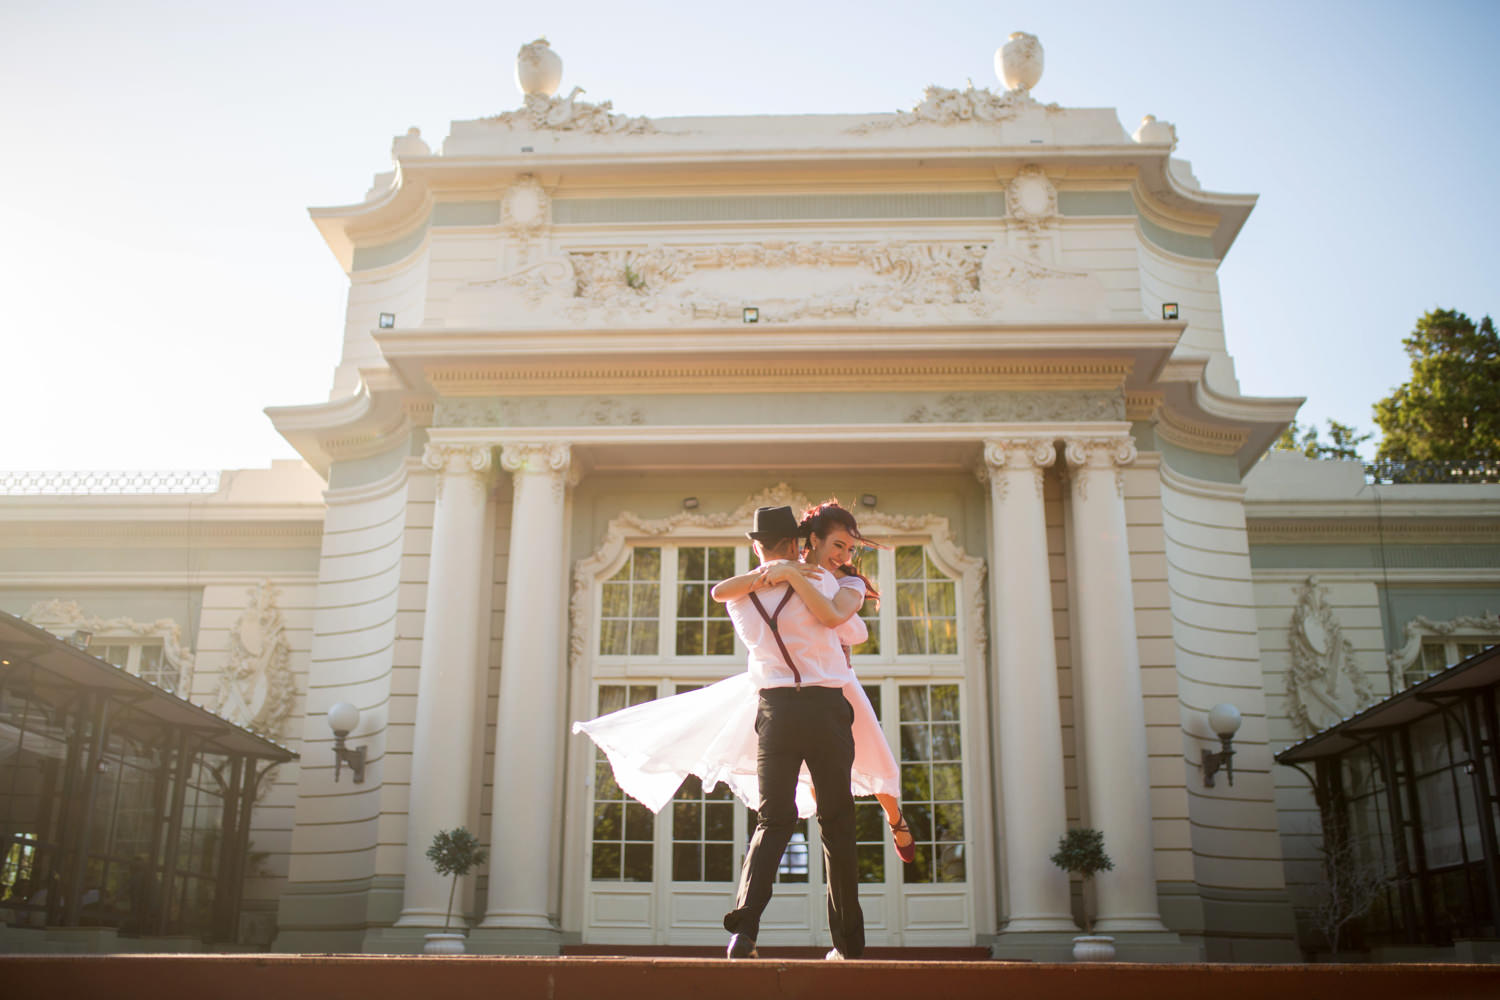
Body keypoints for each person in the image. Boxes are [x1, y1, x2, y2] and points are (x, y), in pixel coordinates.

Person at [710, 504, 865, 959]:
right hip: (824, 709)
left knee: (773, 821)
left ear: (756, 545)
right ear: (799, 542)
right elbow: (841, 623)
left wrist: (775, 570)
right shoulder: (821, 581)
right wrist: (795, 572)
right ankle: (849, 945)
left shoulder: (740, 596)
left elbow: (721, 589)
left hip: (774, 714)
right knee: (837, 823)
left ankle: (744, 931)